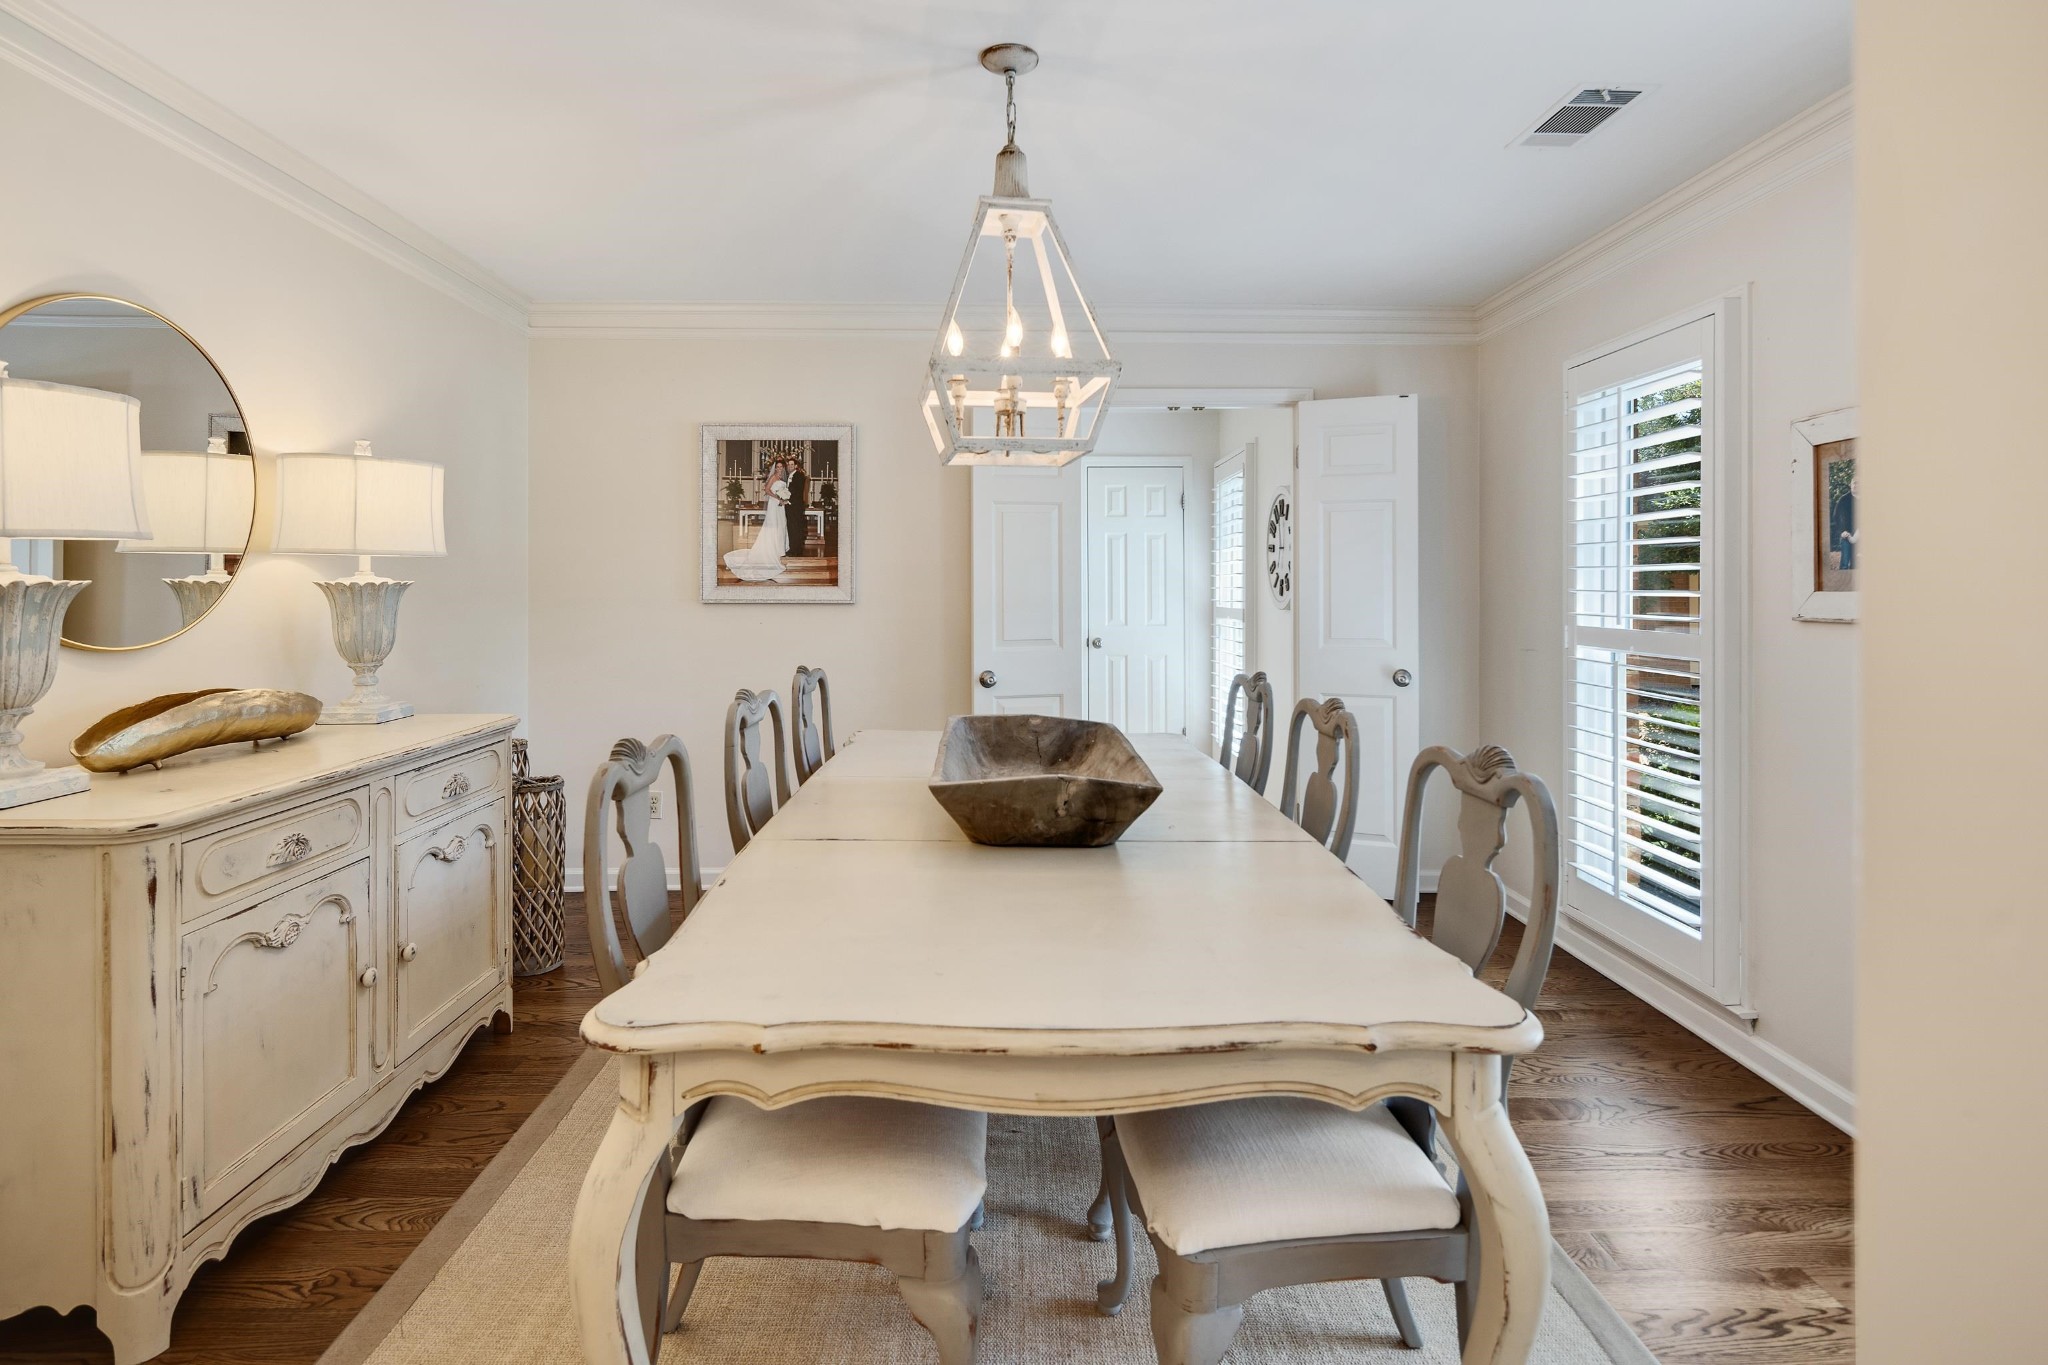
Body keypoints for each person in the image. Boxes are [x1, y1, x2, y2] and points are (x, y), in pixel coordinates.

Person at [723, 459, 790, 582]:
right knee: (774, 526)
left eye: (781, 467)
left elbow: (783, 491)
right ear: (775, 468)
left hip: (780, 506)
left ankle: (778, 549)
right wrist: (778, 498)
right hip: (774, 505)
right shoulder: (774, 477)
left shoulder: (783, 478)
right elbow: (767, 490)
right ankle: (771, 550)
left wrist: (784, 498)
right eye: (778, 467)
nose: (779, 468)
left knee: (781, 525)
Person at [783, 453, 809, 556]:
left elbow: (796, 491)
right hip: (790, 506)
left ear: (796, 466)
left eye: (792, 465)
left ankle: (796, 549)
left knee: (796, 527)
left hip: (796, 506)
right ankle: (793, 548)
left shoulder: (799, 475)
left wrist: (786, 497)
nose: (790, 466)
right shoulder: (789, 476)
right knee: (791, 527)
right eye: (788, 465)